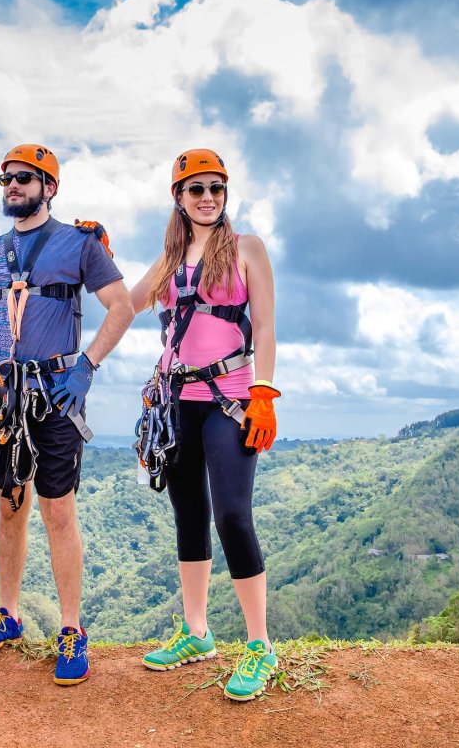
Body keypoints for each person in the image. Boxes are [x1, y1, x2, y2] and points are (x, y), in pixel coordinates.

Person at [0, 144, 133, 685]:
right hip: (5, 394)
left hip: (55, 393)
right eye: (5, 178)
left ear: (49, 186)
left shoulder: (79, 244)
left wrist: (87, 366)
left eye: (24, 178)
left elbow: (121, 305)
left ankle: (71, 629)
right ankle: (9, 615)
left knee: (58, 511)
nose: (11, 186)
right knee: (10, 507)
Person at [128, 149, 281, 701]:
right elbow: (124, 305)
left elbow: (263, 325)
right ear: (178, 197)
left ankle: (260, 645)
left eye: (216, 187)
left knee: (233, 515)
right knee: (188, 515)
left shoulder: (246, 250)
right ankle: (197, 633)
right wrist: (94, 255)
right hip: (174, 401)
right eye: (197, 189)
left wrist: (263, 392)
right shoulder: (168, 260)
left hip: (230, 400)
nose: (208, 197)